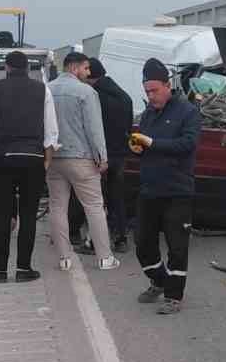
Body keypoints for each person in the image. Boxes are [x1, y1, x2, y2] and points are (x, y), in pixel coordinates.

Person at [0, 49, 58, 284]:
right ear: (28, 68)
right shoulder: (43, 90)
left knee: (2, 213)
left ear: (7, 68)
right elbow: (51, 131)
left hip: (3, 157)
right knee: (28, 215)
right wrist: (47, 161)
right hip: (33, 158)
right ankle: (24, 268)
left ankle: (0, 270)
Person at [131, 58, 201, 314]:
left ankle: (174, 296)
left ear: (167, 85)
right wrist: (138, 148)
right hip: (150, 190)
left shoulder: (188, 112)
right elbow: (146, 146)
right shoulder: (149, 113)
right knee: (143, 244)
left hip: (177, 191)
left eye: (154, 90)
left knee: (177, 246)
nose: (150, 96)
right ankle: (159, 281)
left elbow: (187, 145)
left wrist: (152, 143)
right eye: (147, 91)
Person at [46, 52, 119, 273]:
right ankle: (104, 257)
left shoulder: (46, 89)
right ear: (75, 68)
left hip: (54, 158)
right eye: (86, 69)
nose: (89, 73)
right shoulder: (86, 92)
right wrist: (102, 157)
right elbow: (94, 128)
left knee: (57, 206)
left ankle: (64, 258)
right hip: (82, 158)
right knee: (94, 207)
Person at [86, 57, 134, 250]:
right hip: (120, 155)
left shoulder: (94, 95)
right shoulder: (123, 95)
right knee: (117, 197)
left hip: (101, 155)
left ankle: (93, 242)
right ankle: (121, 238)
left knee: (96, 199)